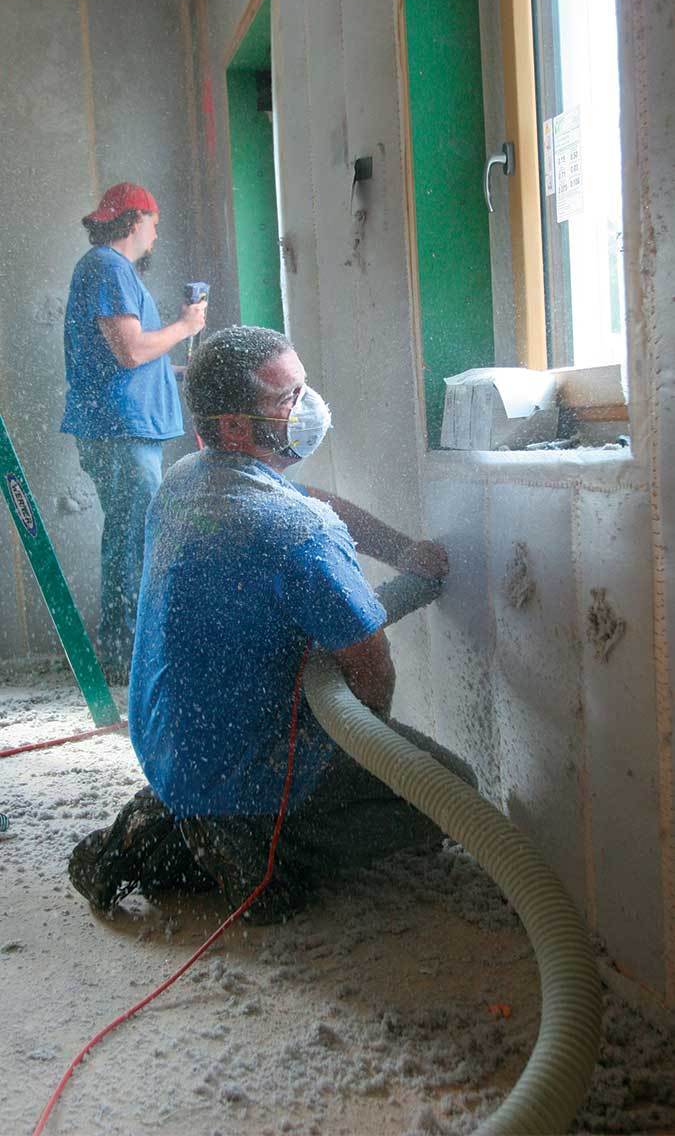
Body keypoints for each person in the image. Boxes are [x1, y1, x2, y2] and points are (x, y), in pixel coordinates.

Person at [68, 326, 476, 922]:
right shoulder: (296, 536)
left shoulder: (185, 482)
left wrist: (402, 550)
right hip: (248, 763)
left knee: (237, 769)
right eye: (288, 398)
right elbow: (370, 666)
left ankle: (176, 821)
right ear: (234, 426)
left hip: (171, 743)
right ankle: (252, 850)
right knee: (450, 793)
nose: (307, 406)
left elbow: (314, 499)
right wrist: (366, 750)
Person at [60, 182, 207, 681]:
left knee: (129, 535)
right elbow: (130, 351)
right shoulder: (107, 267)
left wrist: (179, 369)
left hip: (123, 429)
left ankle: (125, 652)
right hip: (121, 432)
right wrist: (185, 327)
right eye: (155, 224)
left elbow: (132, 356)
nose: (158, 235)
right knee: (135, 539)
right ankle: (127, 657)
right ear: (135, 220)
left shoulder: (108, 270)